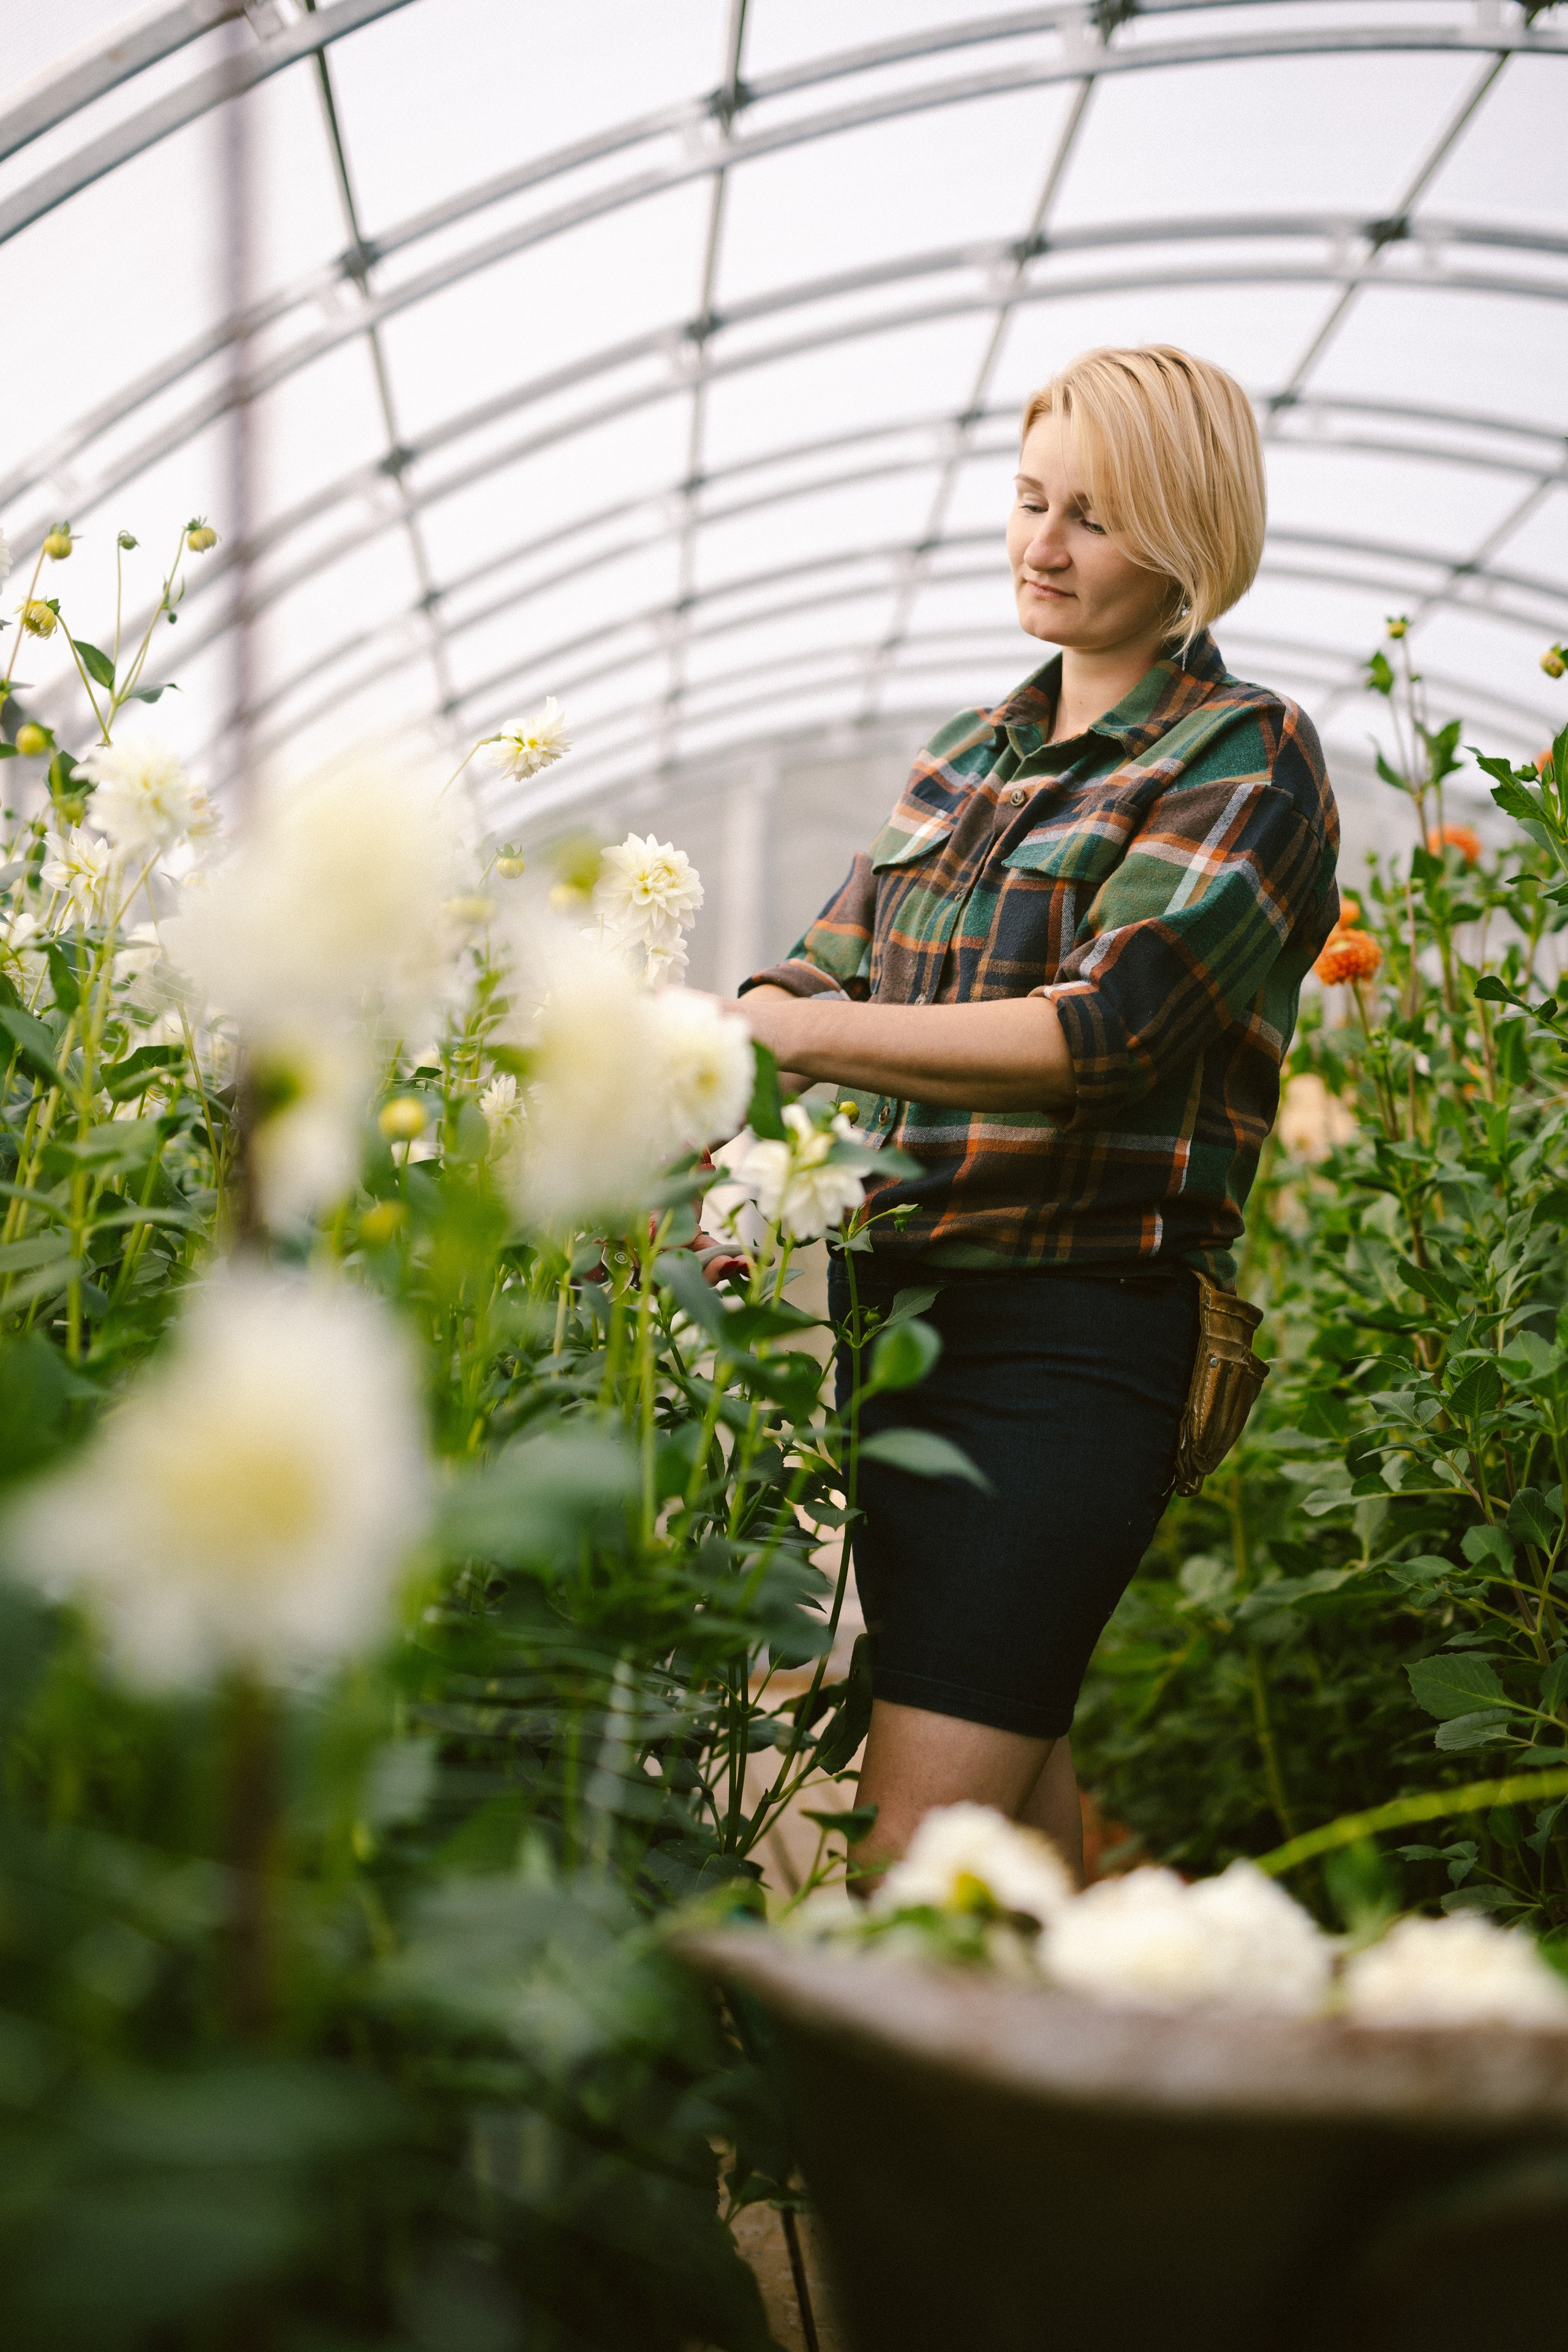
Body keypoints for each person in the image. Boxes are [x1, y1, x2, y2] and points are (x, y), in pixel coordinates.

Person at [721, 344, 1339, 1889]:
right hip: (897, 1325)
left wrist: (803, 1035)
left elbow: (1107, 1032)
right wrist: (709, 1040)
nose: (1039, 545)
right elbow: (821, 962)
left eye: (1091, 518)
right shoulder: (963, 760)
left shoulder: (1245, 755)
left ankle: (932, 2059)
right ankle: (1082, 2043)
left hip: (1068, 1344)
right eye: (1026, 500)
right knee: (1008, 1804)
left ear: (1186, 541)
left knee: (906, 1853)